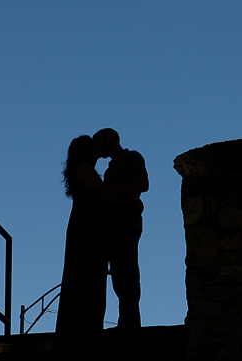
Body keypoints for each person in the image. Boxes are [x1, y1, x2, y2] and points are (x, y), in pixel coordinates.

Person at [55, 135, 141, 334]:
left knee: (86, 278)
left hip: (87, 228)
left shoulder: (88, 170)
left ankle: (83, 327)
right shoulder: (85, 170)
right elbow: (102, 196)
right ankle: (86, 328)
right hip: (87, 230)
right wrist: (131, 202)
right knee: (89, 279)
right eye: (93, 144)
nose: (98, 146)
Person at [93, 128, 149, 331]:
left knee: (127, 274)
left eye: (98, 141)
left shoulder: (132, 157)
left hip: (127, 224)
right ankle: (126, 321)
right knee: (119, 276)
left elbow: (143, 184)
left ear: (109, 137)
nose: (97, 147)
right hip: (113, 226)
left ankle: (131, 323)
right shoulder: (109, 170)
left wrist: (111, 191)